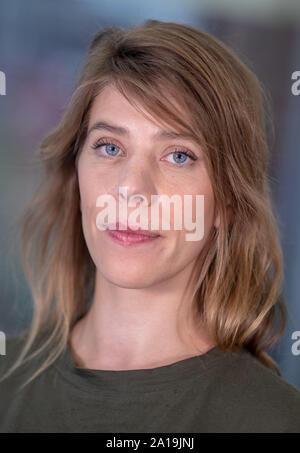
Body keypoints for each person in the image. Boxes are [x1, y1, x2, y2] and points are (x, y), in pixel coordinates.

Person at [0, 19, 299, 433]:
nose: (131, 190)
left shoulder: (277, 420)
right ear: (77, 173)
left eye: (178, 155)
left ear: (227, 202)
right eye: (109, 147)